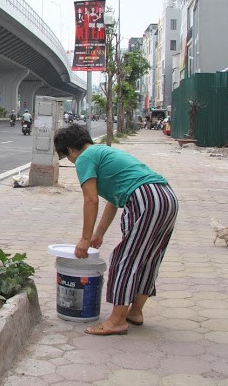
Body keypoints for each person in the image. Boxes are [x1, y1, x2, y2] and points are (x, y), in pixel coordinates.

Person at [53, 124, 178, 336]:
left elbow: (91, 200)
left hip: (146, 198)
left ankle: (117, 321)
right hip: (166, 197)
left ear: (71, 150)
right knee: (148, 257)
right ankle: (135, 311)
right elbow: (113, 200)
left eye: (67, 157)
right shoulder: (104, 153)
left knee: (125, 258)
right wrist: (99, 232)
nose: (72, 162)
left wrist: (84, 239)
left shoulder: (85, 157)